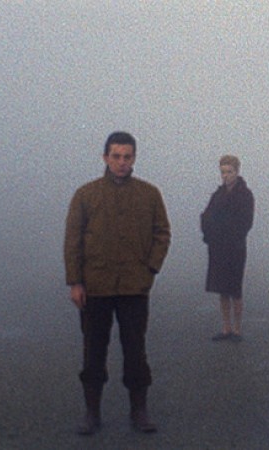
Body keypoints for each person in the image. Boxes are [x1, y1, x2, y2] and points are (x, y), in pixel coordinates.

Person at [64, 131, 171, 435]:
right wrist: (75, 282)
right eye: (116, 156)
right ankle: (91, 413)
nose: (122, 162)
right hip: (95, 287)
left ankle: (139, 411)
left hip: (134, 288)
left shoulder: (149, 194)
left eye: (127, 156)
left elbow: (162, 233)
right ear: (105, 157)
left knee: (136, 352)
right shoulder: (86, 195)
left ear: (134, 158)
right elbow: (73, 240)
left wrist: (150, 269)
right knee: (93, 352)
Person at [201, 155, 254, 342]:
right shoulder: (217, 195)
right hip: (218, 248)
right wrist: (209, 235)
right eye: (223, 172)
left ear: (237, 172)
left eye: (229, 172)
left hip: (235, 248)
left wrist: (228, 233)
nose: (226, 176)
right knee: (222, 289)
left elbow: (246, 222)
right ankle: (226, 328)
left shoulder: (245, 195)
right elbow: (206, 216)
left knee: (235, 290)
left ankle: (237, 330)